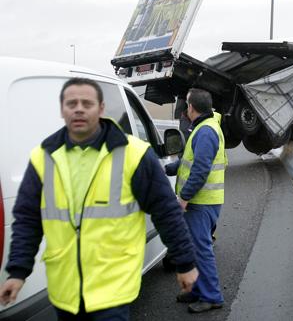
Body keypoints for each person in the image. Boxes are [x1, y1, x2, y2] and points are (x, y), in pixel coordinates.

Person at [0, 78, 198, 320]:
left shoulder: (134, 154)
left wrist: (185, 262)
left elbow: (166, 211)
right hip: (65, 292)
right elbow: (27, 220)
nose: (79, 108)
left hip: (112, 291)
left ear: (101, 109)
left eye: (87, 103)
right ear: (62, 110)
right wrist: (17, 272)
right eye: (72, 103)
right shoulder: (44, 158)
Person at [165, 88, 227, 313]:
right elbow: (189, 162)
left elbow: (200, 170)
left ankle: (212, 296)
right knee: (194, 248)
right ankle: (197, 290)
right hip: (201, 200)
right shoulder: (203, 128)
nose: (184, 109)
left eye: (186, 104)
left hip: (201, 202)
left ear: (191, 107)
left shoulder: (206, 132)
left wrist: (184, 197)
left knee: (201, 249)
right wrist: (166, 169)